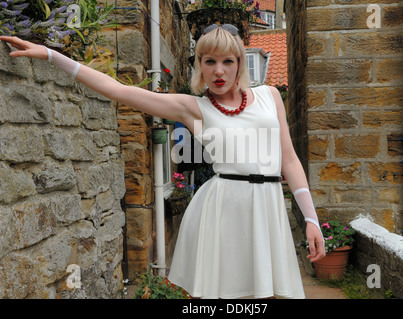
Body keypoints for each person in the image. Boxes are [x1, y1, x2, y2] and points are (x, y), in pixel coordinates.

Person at [0, 24, 325, 299]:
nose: (219, 71)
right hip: (223, 208)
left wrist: (310, 218)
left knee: (267, 293)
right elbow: (119, 91)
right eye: (209, 61)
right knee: (226, 294)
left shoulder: (270, 97)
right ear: (199, 64)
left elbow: (291, 161)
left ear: (240, 63)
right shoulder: (194, 107)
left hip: (266, 204)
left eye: (228, 61)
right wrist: (51, 55)